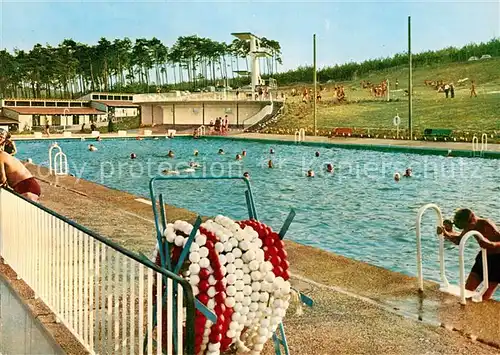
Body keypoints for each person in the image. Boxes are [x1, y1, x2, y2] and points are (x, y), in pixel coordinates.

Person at [437, 208, 500, 300]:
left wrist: (493, 245)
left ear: (473, 219)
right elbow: (459, 240)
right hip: (483, 257)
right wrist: (446, 233)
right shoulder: (470, 226)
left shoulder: (486, 224)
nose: (468, 228)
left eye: (468, 225)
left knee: (485, 296)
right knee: (467, 290)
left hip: (498, 260)